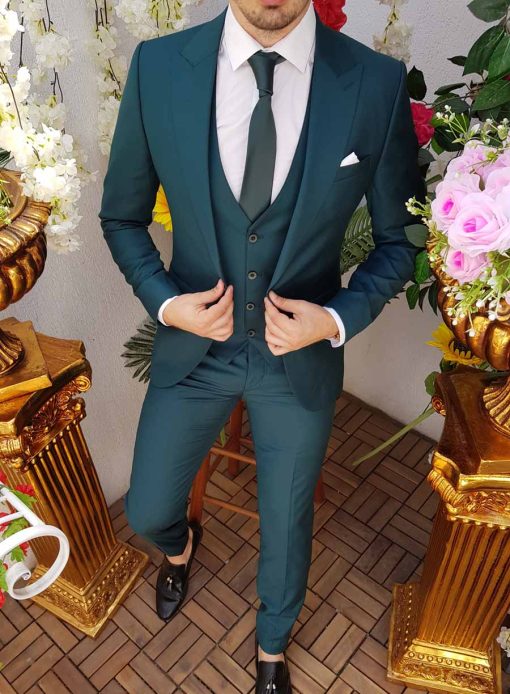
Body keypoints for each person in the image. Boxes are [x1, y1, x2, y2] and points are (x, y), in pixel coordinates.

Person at [98, 0, 426, 691]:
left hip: (296, 359)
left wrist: (333, 320)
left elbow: (401, 241)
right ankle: (179, 547)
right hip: (197, 351)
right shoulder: (159, 68)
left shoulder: (375, 82)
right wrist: (167, 303)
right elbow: (122, 218)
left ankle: (272, 646)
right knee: (147, 509)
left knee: (287, 521)